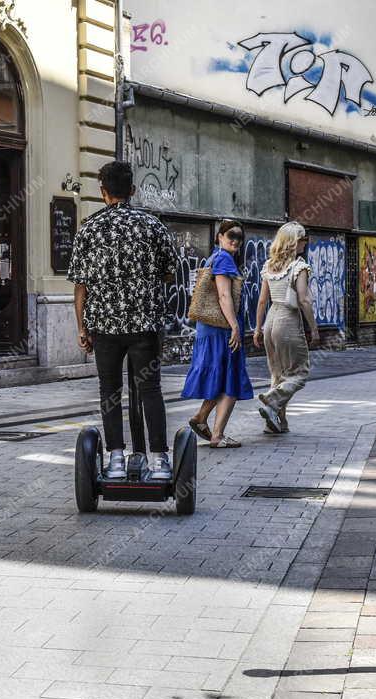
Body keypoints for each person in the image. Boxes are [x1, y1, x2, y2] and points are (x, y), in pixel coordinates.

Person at [69, 161, 176, 479]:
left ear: (103, 192)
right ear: (132, 190)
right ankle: (159, 460)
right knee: (150, 390)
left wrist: (82, 329)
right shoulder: (152, 225)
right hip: (144, 326)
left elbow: (80, 286)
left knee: (109, 391)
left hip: (105, 327)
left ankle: (115, 458)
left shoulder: (89, 227)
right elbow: (169, 274)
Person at [182, 220, 254, 448]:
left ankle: (201, 418)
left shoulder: (213, 257)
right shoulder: (223, 259)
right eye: (230, 235)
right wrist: (234, 326)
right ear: (219, 236)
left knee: (221, 377)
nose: (235, 240)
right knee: (231, 380)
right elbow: (224, 296)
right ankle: (218, 435)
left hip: (211, 329)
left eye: (239, 237)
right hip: (221, 330)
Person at [253, 221, 319, 434]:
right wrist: (314, 329)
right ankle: (272, 401)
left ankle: (277, 423)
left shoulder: (269, 265)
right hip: (288, 320)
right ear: (293, 242)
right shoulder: (299, 266)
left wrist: (257, 328)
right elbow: (304, 300)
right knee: (300, 372)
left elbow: (262, 301)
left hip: (270, 320)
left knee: (278, 374)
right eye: (302, 239)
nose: (305, 243)